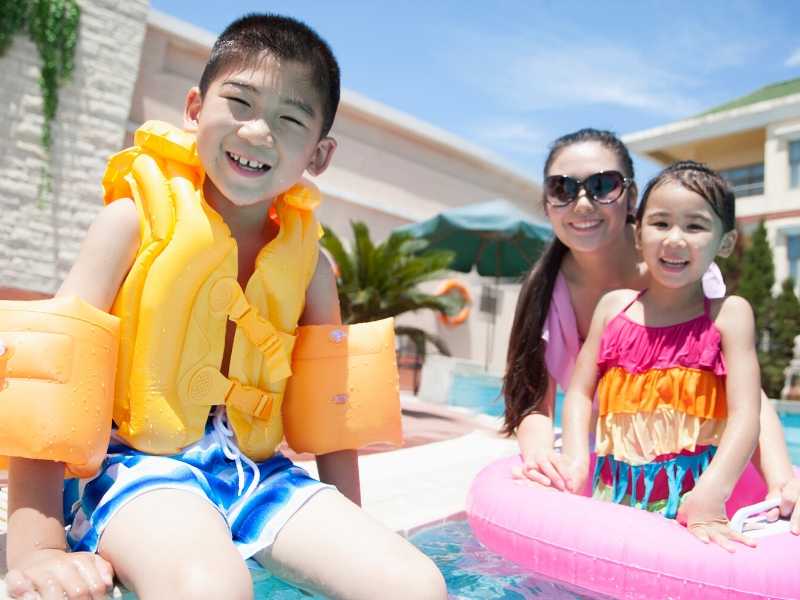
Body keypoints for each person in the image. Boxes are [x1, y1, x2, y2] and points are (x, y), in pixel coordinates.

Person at [5, 14, 446, 600]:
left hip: (256, 475)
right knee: (211, 588)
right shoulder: (130, 223)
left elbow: (332, 410)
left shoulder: (309, 266)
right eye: (240, 103)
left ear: (319, 155)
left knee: (415, 586)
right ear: (194, 109)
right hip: (136, 467)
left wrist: (353, 525)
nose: (259, 132)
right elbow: (54, 376)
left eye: (290, 120)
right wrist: (37, 549)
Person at [503, 128, 800, 535]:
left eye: (602, 184)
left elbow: (744, 396)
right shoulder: (548, 289)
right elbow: (537, 401)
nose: (583, 201)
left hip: (691, 458)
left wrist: (782, 478)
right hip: (616, 461)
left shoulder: (695, 281)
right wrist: (552, 462)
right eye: (562, 187)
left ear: (629, 195)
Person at [558, 161, 759, 551]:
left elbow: (747, 413)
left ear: (725, 243)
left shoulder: (728, 316)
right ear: (637, 235)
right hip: (614, 497)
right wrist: (574, 458)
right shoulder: (612, 309)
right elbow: (581, 393)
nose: (675, 239)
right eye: (661, 223)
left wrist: (712, 492)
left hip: (694, 507)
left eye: (696, 226)